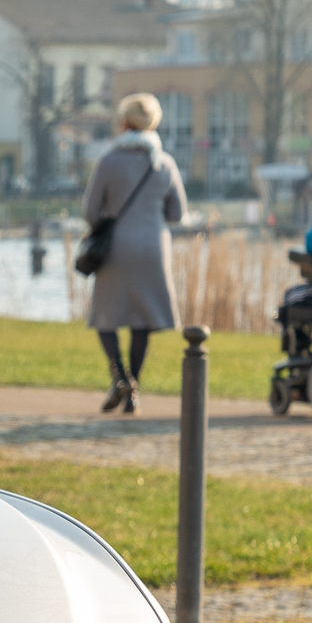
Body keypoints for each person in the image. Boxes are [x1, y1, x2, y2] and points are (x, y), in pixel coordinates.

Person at [83, 93, 189, 415]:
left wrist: (109, 217)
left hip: (116, 247)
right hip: (153, 248)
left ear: (124, 123)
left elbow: (89, 211)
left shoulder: (108, 160)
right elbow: (178, 214)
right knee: (142, 319)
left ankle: (120, 377)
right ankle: (133, 391)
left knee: (106, 316)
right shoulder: (164, 163)